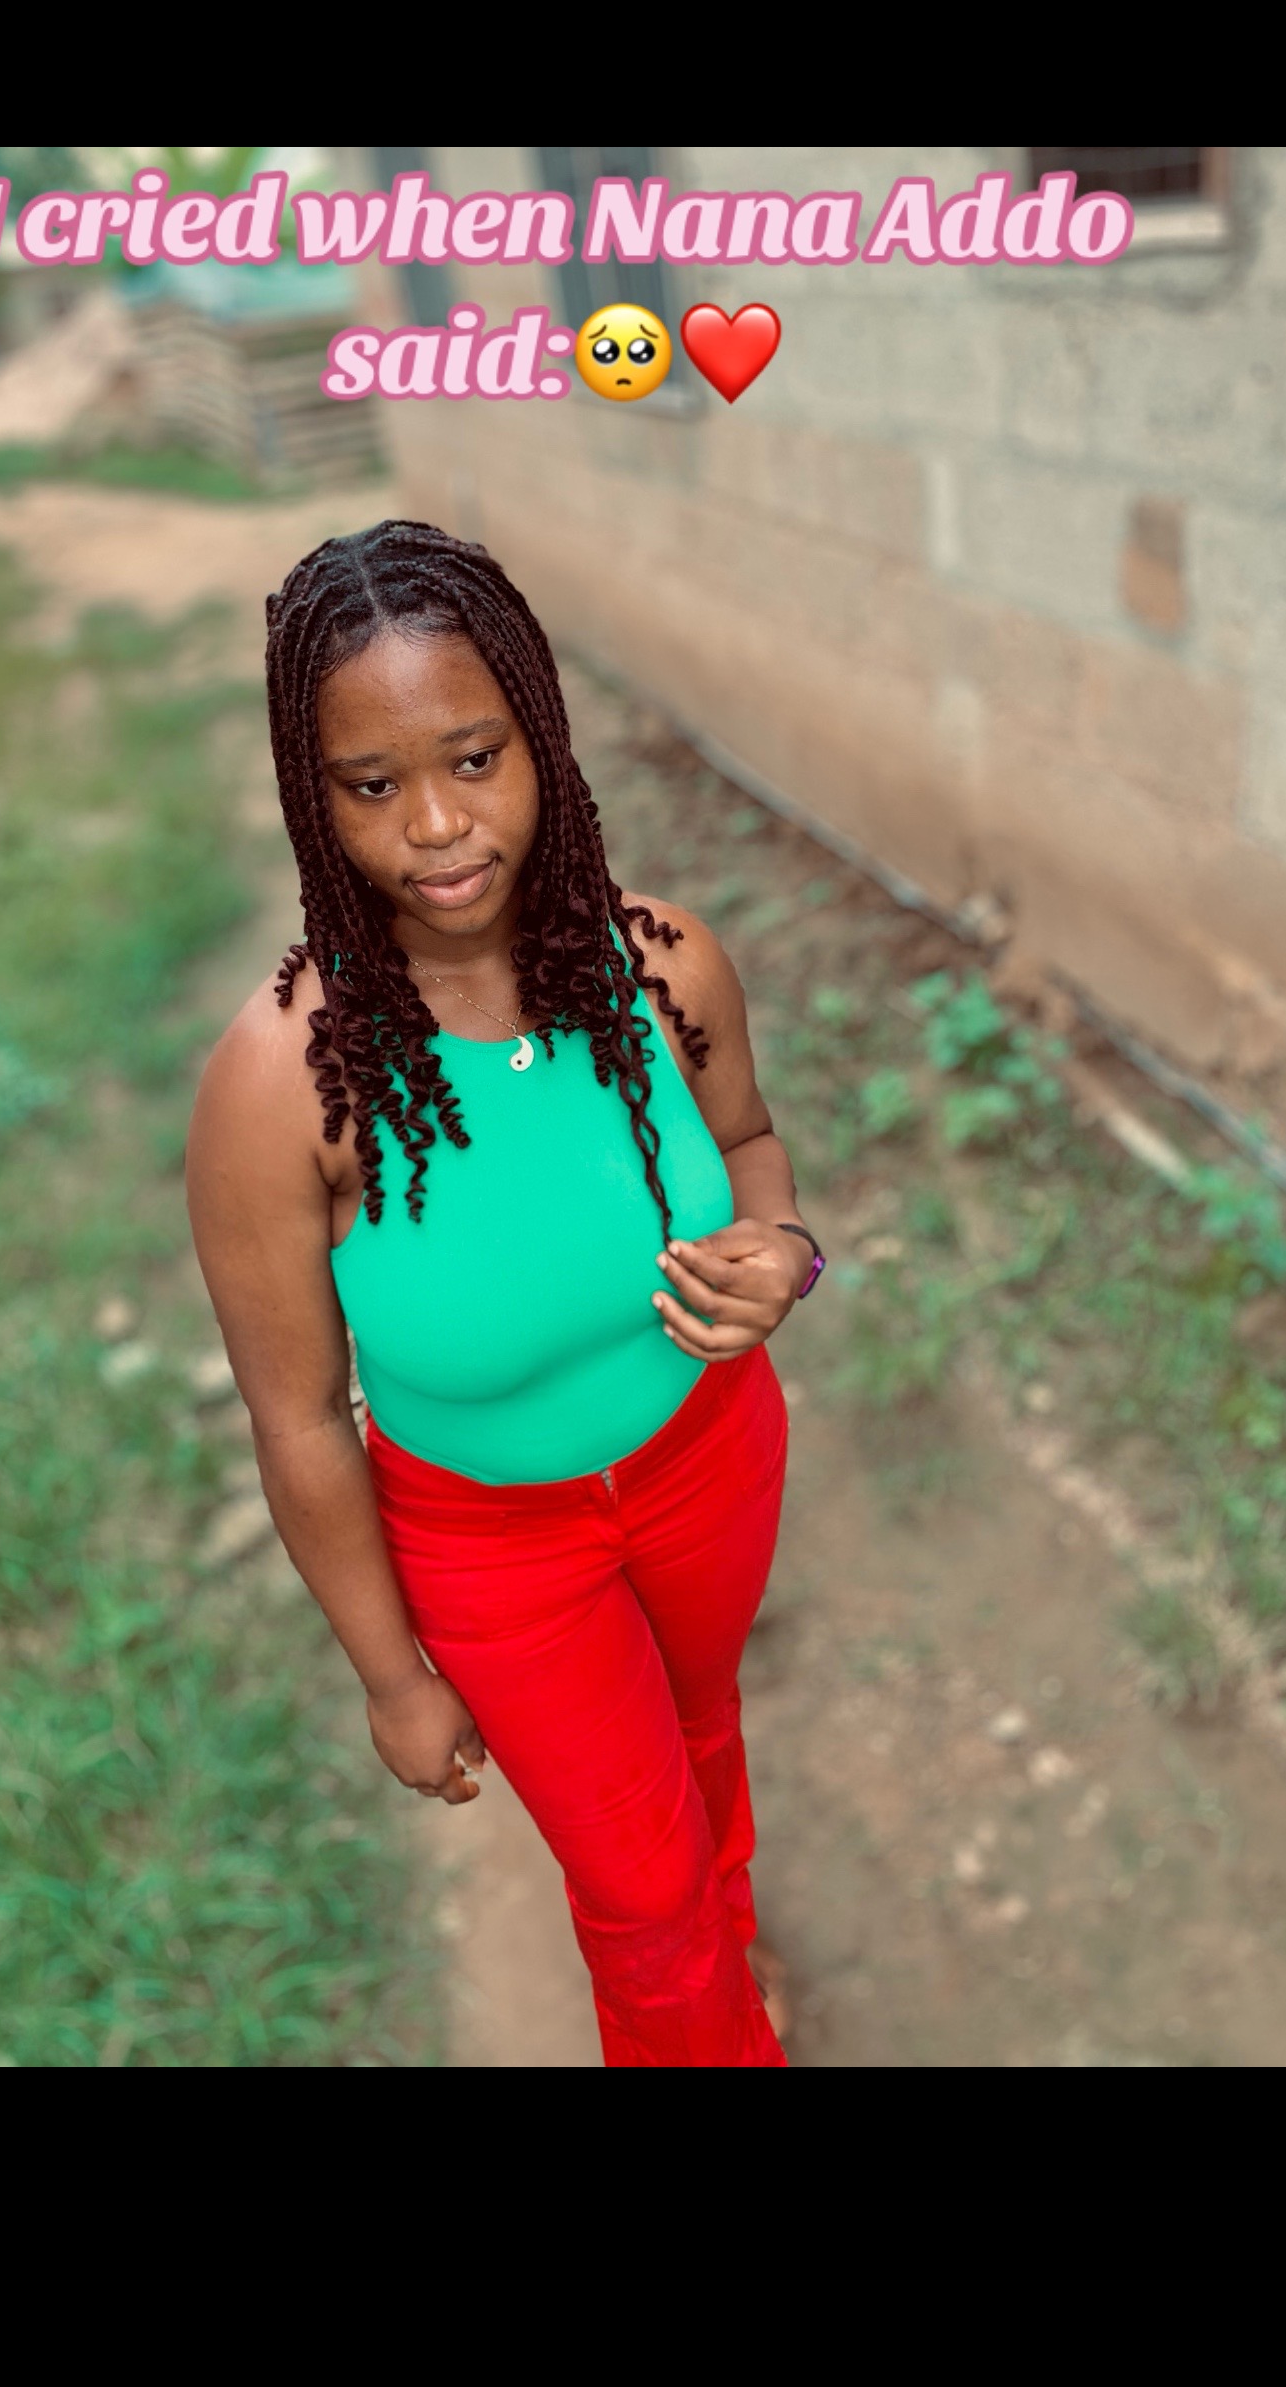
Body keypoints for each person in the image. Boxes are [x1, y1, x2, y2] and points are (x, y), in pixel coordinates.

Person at [186, 520, 826, 2069]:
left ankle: (733, 1967)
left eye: (474, 759)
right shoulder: (283, 1086)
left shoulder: (664, 966)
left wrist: (787, 1251)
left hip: (711, 1461)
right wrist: (391, 1677)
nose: (436, 825)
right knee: (642, 1896)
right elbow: (298, 1419)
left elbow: (750, 1144)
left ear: (539, 735)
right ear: (313, 796)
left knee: (704, 1740)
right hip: (492, 1550)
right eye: (372, 785)